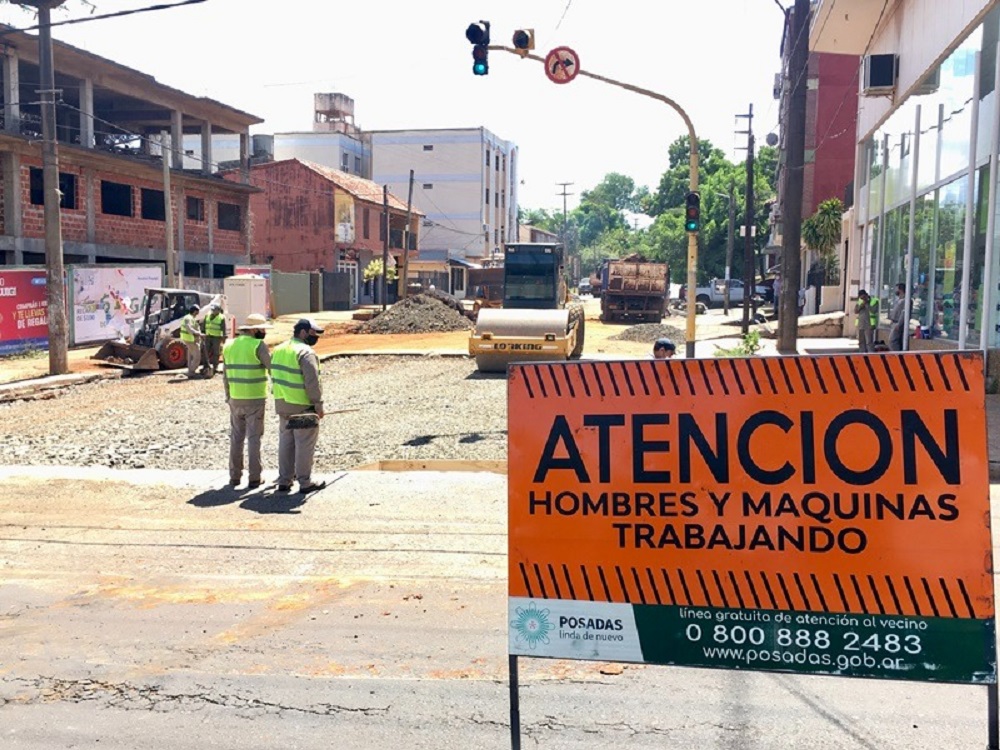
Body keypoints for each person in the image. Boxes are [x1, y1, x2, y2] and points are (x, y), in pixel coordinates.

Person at [271, 318, 327, 494]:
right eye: (313, 334)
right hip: (302, 405)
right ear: (303, 333)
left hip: (282, 404)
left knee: (286, 443)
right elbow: (312, 382)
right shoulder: (305, 352)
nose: (315, 337)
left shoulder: (278, 350)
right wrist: (318, 404)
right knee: (304, 444)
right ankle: (305, 482)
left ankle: (284, 480)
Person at [222, 313, 272, 489]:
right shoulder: (258, 345)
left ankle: (234, 476)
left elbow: (225, 375)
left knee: (236, 438)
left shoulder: (229, 346)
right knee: (254, 438)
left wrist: (228, 396)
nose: (264, 332)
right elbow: (272, 368)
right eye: (262, 329)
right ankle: (254, 478)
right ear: (254, 330)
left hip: (235, 398)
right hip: (255, 398)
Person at [179, 304, 204, 378]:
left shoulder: (190, 318)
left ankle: (190, 370)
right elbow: (189, 328)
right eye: (197, 312)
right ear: (195, 311)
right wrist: (198, 333)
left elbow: (194, 327)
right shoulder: (188, 318)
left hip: (188, 339)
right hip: (190, 339)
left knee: (190, 355)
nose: (197, 314)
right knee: (197, 356)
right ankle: (192, 371)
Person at [203, 303, 228, 373]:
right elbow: (204, 325)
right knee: (205, 351)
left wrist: (223, 338)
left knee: (216, 352)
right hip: (207, 336)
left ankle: (215, 366)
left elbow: (223, 328)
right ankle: (205, 366)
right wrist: (203, 334)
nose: (213, 311)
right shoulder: (207, 315)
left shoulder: (221, 317)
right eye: (212, 310)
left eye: (214, 310)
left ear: (218, 310)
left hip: (216, 337)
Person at [889, 283, 907, 351]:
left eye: (897, 289)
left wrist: (899, 324)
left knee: (892, 341)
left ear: (901, 290)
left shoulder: (906, 300)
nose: (895, 291)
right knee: (892, 341)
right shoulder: (899, 299)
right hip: (894, 322)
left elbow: (903, 314)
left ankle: (896, 356)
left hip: (897, 323)